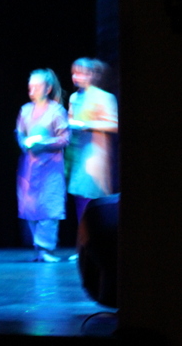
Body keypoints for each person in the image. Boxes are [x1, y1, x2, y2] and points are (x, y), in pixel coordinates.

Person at [65, 58, 118, 260]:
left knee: (93, 200)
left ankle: (96, 246)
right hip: (77, 153)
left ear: (91, 75)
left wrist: (86, 124)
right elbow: (70, 120)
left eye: (81, 72)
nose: (76, 77)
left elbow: (114, 124)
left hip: (95, 154)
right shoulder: (74, 98)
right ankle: (82, 248)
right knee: (80, 200)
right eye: (74, 73)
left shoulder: (104, 97)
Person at [16, 68, 70, 262]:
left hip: (50, 167)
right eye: (30, 87)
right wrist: (24, 143)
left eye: (37, 87)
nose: (32, 91)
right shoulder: (25, 110)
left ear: (47, 89)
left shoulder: (56, 111)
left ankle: (46, 248)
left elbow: (65, 138)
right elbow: (20, 133)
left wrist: (44, 143)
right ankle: (37, 248)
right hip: (30, 166)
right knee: (31, 206)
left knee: (49, 206)